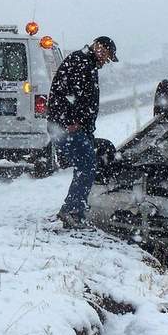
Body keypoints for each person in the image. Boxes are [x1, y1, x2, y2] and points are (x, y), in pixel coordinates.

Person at [47, 36, 118, 229]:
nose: (106, 61)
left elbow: (80, 97)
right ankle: (72, 210)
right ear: (98, 47)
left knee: (86, 165)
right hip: (68, 127)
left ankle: (76, 209)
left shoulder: (85, 62)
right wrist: (71, 121)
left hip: (73, 127)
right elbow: (69, 95)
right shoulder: (81, 62)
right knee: (87, 166)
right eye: (107, 56)